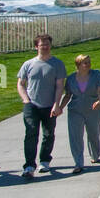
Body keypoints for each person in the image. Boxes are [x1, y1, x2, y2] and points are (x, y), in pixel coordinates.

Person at [17, 34, 66, 178]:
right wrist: (25, 99)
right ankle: (29, 166)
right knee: (31, 133)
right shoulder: (28, 64)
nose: (44, 47)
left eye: (47, 44)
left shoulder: (57, 64)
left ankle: (44, 161)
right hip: (31, 104)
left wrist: (57, 105)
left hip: (49, 105)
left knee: (49, 134)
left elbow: (59, 86)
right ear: (36, 47)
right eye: (41, 45)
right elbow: (20, 84)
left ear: (51, 46)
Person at [54, 54, 100, 174]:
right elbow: (68, 95)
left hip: (93, 109)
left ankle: (95, 154)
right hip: (75, 110)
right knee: (75, 137)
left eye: (89, 62)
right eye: (85, 63)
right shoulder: (71, 78)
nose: (88, 65)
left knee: (93, 133)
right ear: (78, 65)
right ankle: (78, 163)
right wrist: (60, 107)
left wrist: (99, 100)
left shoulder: (96, 74)